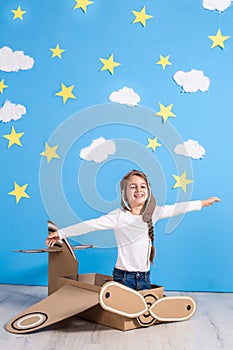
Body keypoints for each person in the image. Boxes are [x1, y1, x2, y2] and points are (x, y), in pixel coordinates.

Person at [46, 169, 220, 291]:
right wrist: (61, 233)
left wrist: (203, 203)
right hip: (123, 278)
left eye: (142, 186)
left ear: (148, 190)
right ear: (125, 193)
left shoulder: (154, 213)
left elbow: (177, 207)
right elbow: (89, 225)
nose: (138, 190)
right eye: (133, 186)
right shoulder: (118, 216)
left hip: (144, 278)